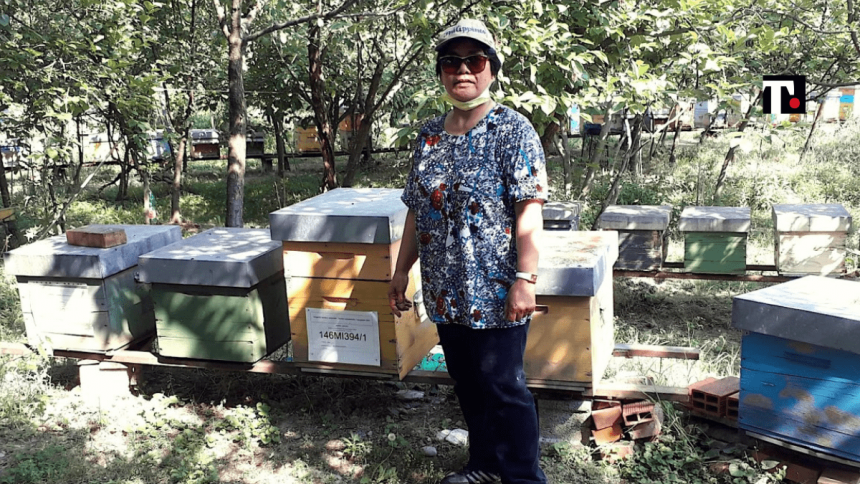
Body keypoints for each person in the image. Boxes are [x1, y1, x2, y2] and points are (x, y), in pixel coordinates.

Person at [387, 18, 549, 484]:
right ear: (440, 72)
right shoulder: (428, 136)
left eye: (474, 60)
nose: (463, 70)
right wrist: (402, 272)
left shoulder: (512, 130)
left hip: (496, 290)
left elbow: (528, 211)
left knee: (504, 387)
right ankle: (484, 465)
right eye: (451, 61)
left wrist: (526, 278)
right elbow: (418, 209)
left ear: (491, 69)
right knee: (469, 383)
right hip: (446, 289)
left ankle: (522, 477)